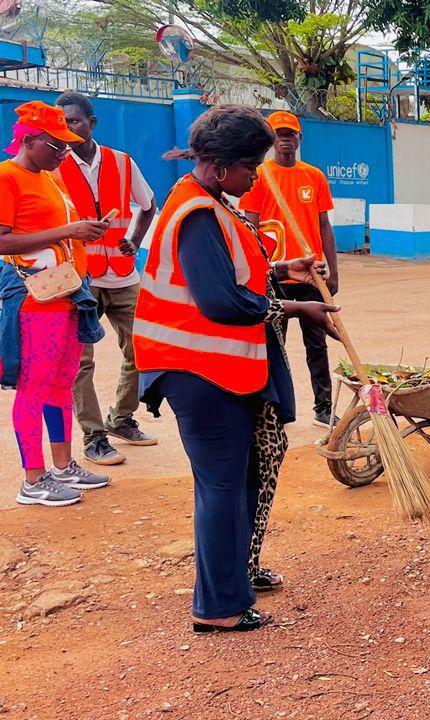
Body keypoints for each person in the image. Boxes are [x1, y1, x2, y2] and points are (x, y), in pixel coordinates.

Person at [134, 104, 339, 631]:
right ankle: (219, 608)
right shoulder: (196, 213)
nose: (256, 177)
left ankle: (230, 585)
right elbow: (221, 301)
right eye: (251, 167)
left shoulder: (206, 201)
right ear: (223, 166)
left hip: (218, 369)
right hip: (199, 372)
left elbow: (231, 272)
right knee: (222, 485)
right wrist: (295, 307)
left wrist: (279, 269)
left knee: (234, 481)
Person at [0, 100, 111, 507]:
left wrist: (82, 233)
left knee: (61, 382)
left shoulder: (51, 178)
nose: (64, 153)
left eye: (67, 146)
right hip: (33, 298)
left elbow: (56, 231)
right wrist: (68, 229)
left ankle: (63, 466)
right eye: (56, 146)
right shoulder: (7, 177)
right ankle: (33, 479)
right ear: (29, 141)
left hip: (65, 292)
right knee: (33, 385)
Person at [54, 91, 159, 467]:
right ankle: (94, 436)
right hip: (78, 277)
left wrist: (132, 240)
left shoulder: (122, 162)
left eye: (74, 121)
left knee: (143, 348)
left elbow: (147, 206)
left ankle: (121, 418)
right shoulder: (54, 166)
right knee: (81, 360)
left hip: (122, 274)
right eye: (62, 122)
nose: (68, 128)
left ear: (91, 123)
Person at [240, 110, 339, 428]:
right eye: (279, 133)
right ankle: (273, 408)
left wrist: (333, 271)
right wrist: (257, 272)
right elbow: (251, 227)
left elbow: (325, 225)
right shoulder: (259, 176)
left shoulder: (314, 177)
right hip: (274, 276)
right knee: (273, 344)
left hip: (310, 274)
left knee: (317, 343)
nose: (285, 138)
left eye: (290, 133)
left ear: (299, 138)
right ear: (271, 139)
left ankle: (323, 407)